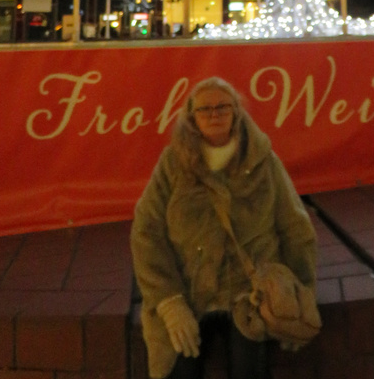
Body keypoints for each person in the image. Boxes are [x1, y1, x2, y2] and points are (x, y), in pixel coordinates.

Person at [131, 76, 317, 379]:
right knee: (178, 368)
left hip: (248, 293)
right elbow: (146, 231)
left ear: (236, 113)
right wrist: (168, 301)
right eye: (205, 110)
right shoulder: (172, 164)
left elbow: (295, 227)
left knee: (249, 370)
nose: (214, 114)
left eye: (223, 107)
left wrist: (300, 293)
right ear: (192, 119)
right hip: (188, 291)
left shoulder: (263, 160)